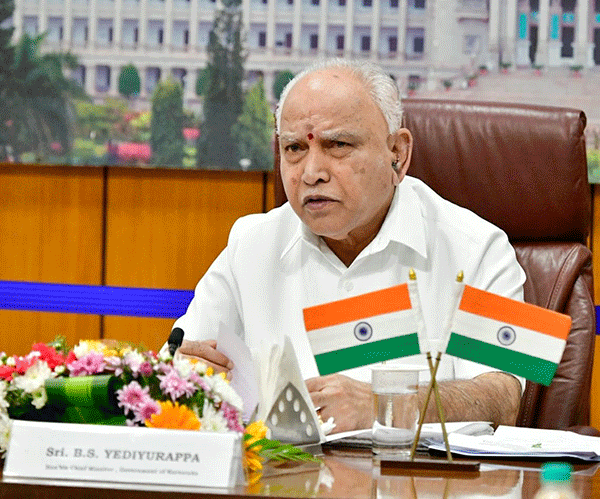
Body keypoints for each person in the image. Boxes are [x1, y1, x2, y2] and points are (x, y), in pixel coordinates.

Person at [173, 59, 526, 433]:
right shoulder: (248, 244)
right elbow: (183, 360)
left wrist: (385, 404)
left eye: (338, 145)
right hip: (280, 469)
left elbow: (505, 399)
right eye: (294, 148)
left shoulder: (480, 247)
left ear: (397, 154)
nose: (311, 173)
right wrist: (189, 376)